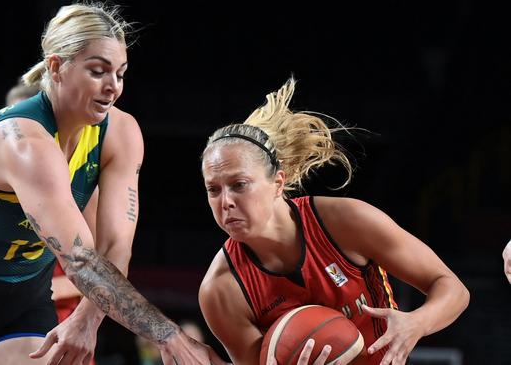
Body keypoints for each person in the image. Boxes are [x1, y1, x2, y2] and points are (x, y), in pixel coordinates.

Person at [0, 2, 227, 365]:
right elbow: (80, 261)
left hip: (21, 305)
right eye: (98, 71)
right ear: (56, 66)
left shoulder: (121, 133)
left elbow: (113, 249)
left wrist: (85, 320)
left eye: (121, 74)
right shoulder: (24, 143)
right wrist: (169, 336)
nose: (112, 87)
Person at [198, 77, 470, 365]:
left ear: (278, 183)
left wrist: (416, 323)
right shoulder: (221, 290)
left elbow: (453, 289)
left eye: (239, 184)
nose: (225, 201)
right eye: (213, 189)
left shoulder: (345, 222)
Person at [5, 81, 88, 327]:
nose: (16, 130)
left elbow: (102, 273)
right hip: (9, 326)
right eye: (10, 119)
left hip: (61, 327)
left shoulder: (79, 184)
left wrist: (20, 288)